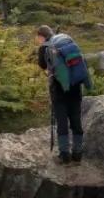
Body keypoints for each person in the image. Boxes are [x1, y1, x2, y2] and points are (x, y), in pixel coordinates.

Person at [36, 25, 92, 166]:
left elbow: (42, 65)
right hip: (75, 87)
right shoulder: (66, 40)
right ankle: (78, 154)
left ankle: (64, 155)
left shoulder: (44, 47)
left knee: (62, 121)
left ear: (41, 36)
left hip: (58, 89)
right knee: (76, 119)